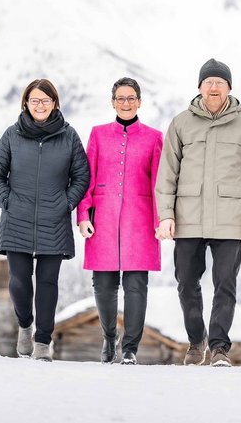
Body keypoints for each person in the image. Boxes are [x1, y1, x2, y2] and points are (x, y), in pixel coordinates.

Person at [155, 58, 241, 367]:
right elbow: (167, 174)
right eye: (209, 82)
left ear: (230, 87)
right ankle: (196, 339)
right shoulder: (181, 123)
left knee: (225, 284)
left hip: (230, 219)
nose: (214, 87)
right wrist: (166, 214)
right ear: (200, 87)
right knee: (186, 282)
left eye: (220, 82)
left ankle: (220, 347)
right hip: (188, 217)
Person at [0, 78, 90, 362]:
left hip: (53, 221)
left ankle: (43, 341)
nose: (40, 105)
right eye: (35, 100)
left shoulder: (69, 137)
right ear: (26, 103)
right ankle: (25, 325)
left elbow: (81, 176)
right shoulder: (12, 135)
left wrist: (66, 203)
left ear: (55, 103)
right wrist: (8, 202)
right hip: (16, 220)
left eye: (46, 100)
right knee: (19, 282)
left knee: (47, 284)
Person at [77, 78, 163, 365]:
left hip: (140, 221)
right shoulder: (98, 135)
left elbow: (159, 184)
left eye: (131, 98)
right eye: (120, 98)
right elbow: (86, 178)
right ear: (112, 102)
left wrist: (161, 220)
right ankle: (109, 336)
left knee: (136, 285)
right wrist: (82, 215)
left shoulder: (153, 137)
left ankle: (130, 348)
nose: (126, 103)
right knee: (103, 284)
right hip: (102, 218)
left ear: (139, 101)